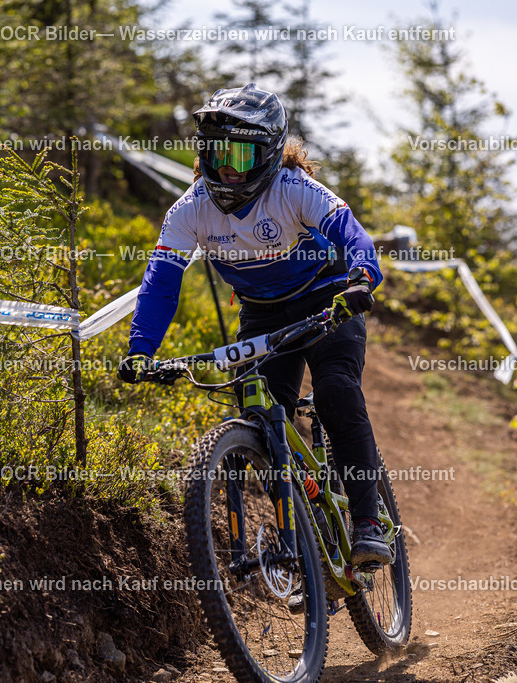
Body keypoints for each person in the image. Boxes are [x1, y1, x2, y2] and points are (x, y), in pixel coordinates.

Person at [117, 83, 391, 565]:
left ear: (266, 155)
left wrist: (362, 279)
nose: (226, 166)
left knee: (336, 391)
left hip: (327, 299)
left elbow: (352, 232)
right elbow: (161, 282)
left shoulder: (293, 188)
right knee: (263, 425)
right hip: (262, 312)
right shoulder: (189, 210)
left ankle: (369, 521)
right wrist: (142, 348)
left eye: (240, 155)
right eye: (216, 151)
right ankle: (306, 530)